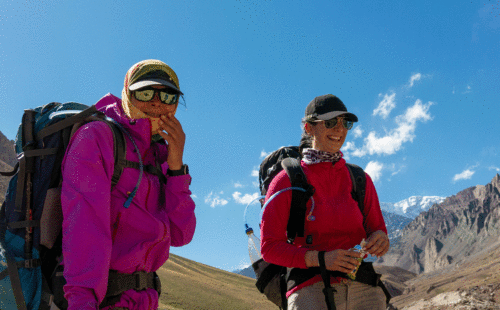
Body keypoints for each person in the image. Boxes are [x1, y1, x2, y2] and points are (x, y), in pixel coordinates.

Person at [60, 59, 196, 310]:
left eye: (167, 95)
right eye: (145, 92)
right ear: (126, 94)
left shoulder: (162, 156)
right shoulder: (97, 137)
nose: (156, 102)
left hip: (146, 300)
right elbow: (84, 228)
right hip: (103, 302)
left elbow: (181, 234)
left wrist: (177, 168)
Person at [260, 94, 389, 310]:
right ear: (309, 128)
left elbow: (378, 230)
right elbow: (269, 247)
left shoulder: (360, 179)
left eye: (345, 123)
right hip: (310, 289)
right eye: (330, 122)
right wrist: (320, 259)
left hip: (364, 288)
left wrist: (380, 239)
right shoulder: (286, 180)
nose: (339, 129)